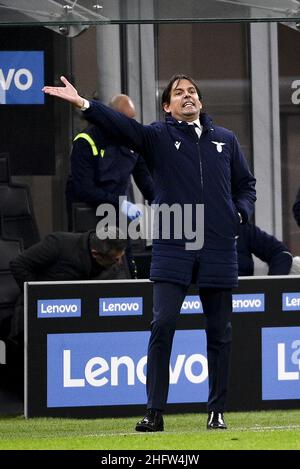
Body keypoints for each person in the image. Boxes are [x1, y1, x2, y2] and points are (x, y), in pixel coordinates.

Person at [43, 74, 256, 431]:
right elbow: (120, 124)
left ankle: (216, 412)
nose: (187, 96)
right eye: (178, 93)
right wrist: (83, 104)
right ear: (167, 107)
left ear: (200, 103)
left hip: (219, 248)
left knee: (220, 332)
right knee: (163, 325)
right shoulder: (157, 136)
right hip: (174, 245)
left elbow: (246, 185)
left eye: (192, 92)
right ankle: (154, 413)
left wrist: (239, 213)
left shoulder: (226, 140)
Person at [66, 94, 154, 278]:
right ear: (111, 117)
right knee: (96, 269)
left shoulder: (133, 141)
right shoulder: (85, 141)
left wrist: (163, 201)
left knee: (126, 265)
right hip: (90, 216)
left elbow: (144, 180)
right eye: (126, 120)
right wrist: (120, 203)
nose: (131, 126)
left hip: (118, 215)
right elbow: (84, 189)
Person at [9, 226, 127, 343]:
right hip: (40, 317)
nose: (120, 262)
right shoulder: (59, 243)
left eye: (121, 256)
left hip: (83, 322)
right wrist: (40, 297)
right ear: (95, 254)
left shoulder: (113, 257)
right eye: (116, 260)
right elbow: (19, 264)